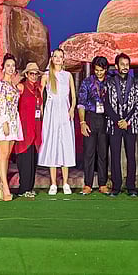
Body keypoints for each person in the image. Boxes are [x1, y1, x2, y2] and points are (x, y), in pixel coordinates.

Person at [104, 53, 138, 197]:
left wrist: (126, 120)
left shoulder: (136, 83)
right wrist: (117, 120)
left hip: (130, 124)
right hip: (114, 124)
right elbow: (107, 103)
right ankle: (116, 186)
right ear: (116, 66)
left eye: (127, 64)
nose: (125, 67)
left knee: (131, 155)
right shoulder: (109, 82)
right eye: (122, 64)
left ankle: (131, 187)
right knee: (114, 155)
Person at [39, 48, 77, 195]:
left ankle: (66, 183)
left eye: (60, 57)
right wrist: (42, 111)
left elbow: (73, 96)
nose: (58, 59)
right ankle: (53, 183)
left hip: (65, 112)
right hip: (52, 112)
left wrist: (72, 108)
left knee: (65, 145)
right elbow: (40, 95)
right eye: (55, 56)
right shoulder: (47, 76)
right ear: (52, 58)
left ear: (63, 60)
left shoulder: (68, 76)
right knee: (53, 144)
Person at [77, 56, 111, 195]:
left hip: (106, 119)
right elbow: (81, 103)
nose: (99, 73)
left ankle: (103, 183)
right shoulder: (87, 82)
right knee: (89, 152)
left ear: (106, 69)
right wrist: (82, 122)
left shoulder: (111, 82)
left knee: (103, 152)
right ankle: (88, 184)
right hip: (90, 117)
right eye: (96, 70)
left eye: (101, 70)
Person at [0, 54, 24, 201]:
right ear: (3, 67)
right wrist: (4, 121)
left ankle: (1, 185)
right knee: (3, 154)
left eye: (13, 65)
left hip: (13, 121)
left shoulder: (13, 85)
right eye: (8, 65)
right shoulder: (0, 84)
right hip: (4, 121)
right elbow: (0, 104)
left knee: (8, 155)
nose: (11, 68)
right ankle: (5, 187)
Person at [15, 62, 44, 198]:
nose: (33, 76)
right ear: (26, 74)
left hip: (36, 127)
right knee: (24, 157)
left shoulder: (38, 89)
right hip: (24, 127)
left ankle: (30, 187)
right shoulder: (21, 87)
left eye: (36, 74)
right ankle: (23, 188)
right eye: (31, 73)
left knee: (33, 158)